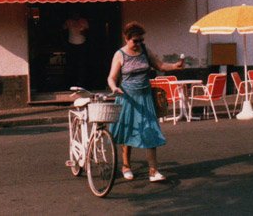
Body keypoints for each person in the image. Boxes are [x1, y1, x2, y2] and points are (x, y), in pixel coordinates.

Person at [107, 21, 184, 182]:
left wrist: (175, 66)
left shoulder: (144, 51)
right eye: (135, 41)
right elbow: (112, 77)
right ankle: (126, 166)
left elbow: (161, 65)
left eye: (141, 40)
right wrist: (114, 87)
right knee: (128, 131)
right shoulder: (120, 54)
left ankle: (153, 170)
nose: (139, 43)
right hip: (127, 97)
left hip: (145, 97)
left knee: (150, 130)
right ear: (126, 39)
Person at [63, 12, 90, 88]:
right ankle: (71, 82)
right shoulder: (69, 21)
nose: (75, 15)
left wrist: (84, 32)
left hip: (82, 44)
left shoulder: (83, 21)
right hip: (71, 44)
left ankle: (81, 83)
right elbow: (63, 30)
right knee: (71, 64)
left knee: (82, 64)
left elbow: (88, 32)